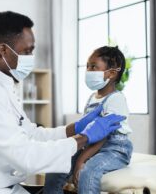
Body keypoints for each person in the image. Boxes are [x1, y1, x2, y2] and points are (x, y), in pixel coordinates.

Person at [0, 11, 125, 194]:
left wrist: (76, 128)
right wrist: (85, 137)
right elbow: (25, 155)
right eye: (27, 51)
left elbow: (30, 134)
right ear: (3, 50)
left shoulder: (2, 85)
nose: (31, 57)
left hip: (6, 186)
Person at [44, 46, 133, 194]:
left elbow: (102, 135)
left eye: (93, 67)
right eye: (87, 66)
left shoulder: (116, 99)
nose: (88, 71)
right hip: (91, 147)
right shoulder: (92, 98)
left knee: (88, 172)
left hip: (114, 149)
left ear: (111, 73)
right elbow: (88, 131)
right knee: (57, 164)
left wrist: (81, 160)